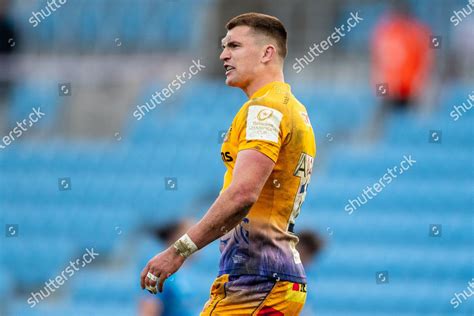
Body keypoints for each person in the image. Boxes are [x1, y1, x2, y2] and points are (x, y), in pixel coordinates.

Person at [140, 12, 316, 315]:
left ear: (267, 53)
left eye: (234, 46)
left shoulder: (264, 110)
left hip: (256, 281)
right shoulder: (294, 110)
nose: (223, 54)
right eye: (224, 46)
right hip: (276, 278)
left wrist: (178, 251)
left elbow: (242, 194)